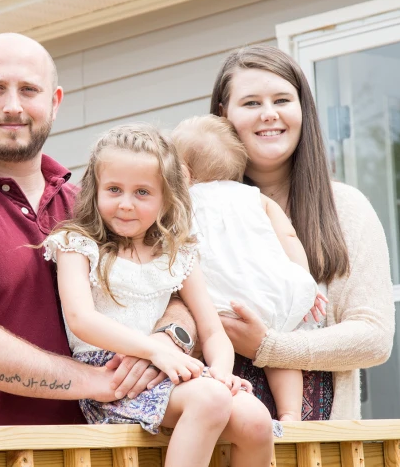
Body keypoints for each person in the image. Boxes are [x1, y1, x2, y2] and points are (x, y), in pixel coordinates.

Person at [0, 32, 195, 427]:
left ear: (55, 102)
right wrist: (98, 381)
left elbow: (176, 283)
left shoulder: (97, 207)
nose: (13, 106)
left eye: (29, 90)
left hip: (85, 453)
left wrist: (167, 338)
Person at [43, 123, 278, 467]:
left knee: (255, 420)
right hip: (112, 376)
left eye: (142, 192)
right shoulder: (77, 243)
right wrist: (154, 349)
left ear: (166, 197)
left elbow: (212, 331)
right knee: (211, 400)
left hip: (172, 371)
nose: (125, 204)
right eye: (114, 189)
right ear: (94, 190)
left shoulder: (176, 253)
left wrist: (223, 372)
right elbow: (82, 319)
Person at [209, 44, 395, 420]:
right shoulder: (195, 210)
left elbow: (374, 337)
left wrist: (269, 346)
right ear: (222, 115)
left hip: (323, 447)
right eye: (250, 103)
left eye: (282, 99)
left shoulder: (347, 209)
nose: (269, 114)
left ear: (302, 110)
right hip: (218, 438)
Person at [171, 114, 327, 422]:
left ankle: (217, 386)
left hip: (219, 298)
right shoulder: (256, 197)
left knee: (208, 342)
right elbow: (289, 236)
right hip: (270, 293)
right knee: (279, 349)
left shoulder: (182, 203)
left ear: (183, 173)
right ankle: (290, 414)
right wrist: (303, 283)